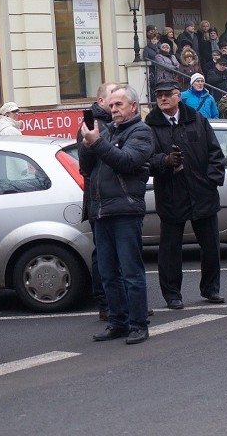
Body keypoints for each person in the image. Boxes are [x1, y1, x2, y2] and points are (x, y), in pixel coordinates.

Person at [80, 85, 153, 345]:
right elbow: (86, 169)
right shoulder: (107, 131)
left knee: (131, 272)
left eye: (119, 105)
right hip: (101, 209)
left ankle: (138, 324)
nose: (114, 110)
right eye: (111, 106)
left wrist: (97, 143)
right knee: (108, 272)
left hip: (125, 210)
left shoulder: (142, 132)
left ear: (133, 106)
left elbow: (127, 162)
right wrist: (87, 144)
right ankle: (118, 322)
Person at [146, 80, 226, 309]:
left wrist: (212, 181)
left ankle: (211, 289)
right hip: (171, 195)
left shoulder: (196, 119)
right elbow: (146, 160)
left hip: (202, 192)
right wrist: (165, 161)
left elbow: (215, 153)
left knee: (210, 246)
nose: (163, 98)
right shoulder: (150, 126)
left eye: (168, 94)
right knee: (170, 250)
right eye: (159, 95)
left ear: (178, 96)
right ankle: (172, 295)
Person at [77, 83, 118, 322]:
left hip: (116, 198)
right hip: (99, 199)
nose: (117, 101)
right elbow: (87, 166)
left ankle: (122, 302)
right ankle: (105, 303)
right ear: (101, 101)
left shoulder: (118, 122)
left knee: (122, 255)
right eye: (113, 97)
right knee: (103, 254)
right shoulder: (92, 124)